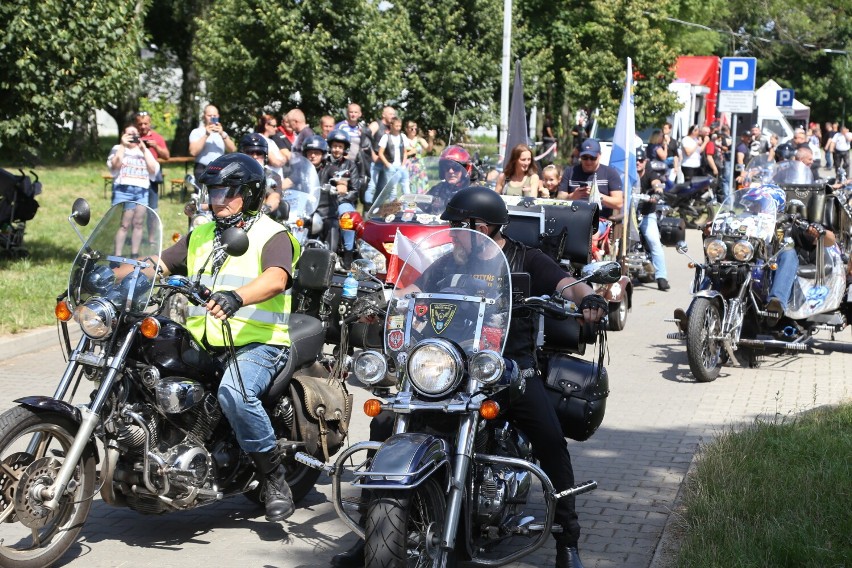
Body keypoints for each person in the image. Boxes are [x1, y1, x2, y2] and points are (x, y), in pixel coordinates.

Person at [330, 186, 607, 568]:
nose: (456, 235)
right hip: (448, 368)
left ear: (488, 227)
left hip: (508, 368)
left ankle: (567, 540)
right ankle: (373, 533)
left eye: (462, 227)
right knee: (384, 425)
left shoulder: (527, 258)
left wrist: (588, 299)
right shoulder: (448, 260)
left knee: (550, 440)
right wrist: (380, 303)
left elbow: (568, 285)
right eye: (453, 228)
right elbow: (409, 290)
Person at [156, 153, 299, 523]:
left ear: (249, 194)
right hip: (204, 342)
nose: (216, 199)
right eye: (212, 191)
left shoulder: (273, 234)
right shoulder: (203, 232)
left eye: (226, 192)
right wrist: (119, 270)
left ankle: (273, 478)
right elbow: (161, 262)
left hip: (258, 343)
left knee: (235, 393)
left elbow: (276, 278)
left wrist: (237, 297)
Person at [107, 125, 161, 258]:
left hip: (141, 191)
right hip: (123, 190)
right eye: (129, 134)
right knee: (123, 224)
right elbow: (115, 165)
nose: (133, 137)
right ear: (123, 135)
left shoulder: (143, 150)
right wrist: (122, 145)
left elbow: (153, 169)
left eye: (135, 134)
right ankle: (117, 256)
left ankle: (134, 255)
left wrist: (143, 148)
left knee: (138, 223)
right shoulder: (117, 148)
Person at [555, 139, 624, 219]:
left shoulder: (610, 173)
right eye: (585, 157)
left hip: (599, 218)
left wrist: (598, 196)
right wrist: (573, 196)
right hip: (572, 217)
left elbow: (619, 203)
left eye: (593, 158)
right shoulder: (570, 172)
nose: (588, 161)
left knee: (590, 230)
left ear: (600, 155)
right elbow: (559, 199)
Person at [322, 129, 360, 267]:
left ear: (345, 148)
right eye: (334, 146)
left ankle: (348, 252)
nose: (337, 149)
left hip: (342, 202)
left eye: (340, 146)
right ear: (330, 147)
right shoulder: (323, 162)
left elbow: (355, 191)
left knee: (347, 217)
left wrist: (341, 197)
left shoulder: (350, 165)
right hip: (323, 201)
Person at [635, 148, 670, 290]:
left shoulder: (649, 173)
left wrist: (657, 193)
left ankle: (662, 277)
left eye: (641, 160)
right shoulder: (627, 175)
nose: (638, 162)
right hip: (627, 214)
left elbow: (656, 183)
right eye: (635, 160)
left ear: (645, 161)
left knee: (654, 241)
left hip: (646, 214)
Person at [134, 111, 170, 246]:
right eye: (140, 124)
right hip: (135, 176)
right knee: (133, 210)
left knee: (152, 209)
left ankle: (151, 239)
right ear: (136, 125)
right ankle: (133, 237)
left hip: (151, 178)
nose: (143, 126)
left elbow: (167, 156)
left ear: (150, 123)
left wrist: (155, 146)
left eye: (145, 123)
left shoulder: (157, 137)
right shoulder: (132, 137)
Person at [189, 104, 237, 180]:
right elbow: (193, 152)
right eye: (209, 115)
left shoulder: (222, 133)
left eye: (214, 115)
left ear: (218, 116)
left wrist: (222, 134)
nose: (212, 118)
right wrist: (206, 135)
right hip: (202, 169)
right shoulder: (197, 132)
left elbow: (233, 150)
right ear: (204, 116)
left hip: (220, 169)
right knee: (202, 192)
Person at [363, 106, 396, 206]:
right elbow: (365, 138)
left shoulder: (392, 127)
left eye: (394, 114)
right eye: (390, 114)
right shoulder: (376, 124)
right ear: (383, 114)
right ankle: (367, 208)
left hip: (386, 162)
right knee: (371, 186)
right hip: (375, 161)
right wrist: (373, 154)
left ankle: (375, 211)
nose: (393, 116)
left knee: (381, 188)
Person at [425, 145, 473, 213]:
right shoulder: (437, 189)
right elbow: (422, 207)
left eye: (456, 167)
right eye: (447, 167)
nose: (451, 171)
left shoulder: (472, 192)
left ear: (465, 170)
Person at [377, 116, 410, 194]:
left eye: (400, 126)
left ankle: (407, 206)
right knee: (393, 190)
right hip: (391, 166)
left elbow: (405, 152)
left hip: (402, 166)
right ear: (391, 125)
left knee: (406, 188)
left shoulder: (403, 136)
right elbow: (380, 153)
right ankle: (394, 205)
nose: (398, 128)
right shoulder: (386, 137)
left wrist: (403, 164)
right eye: (396, 126)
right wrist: (388, 165)